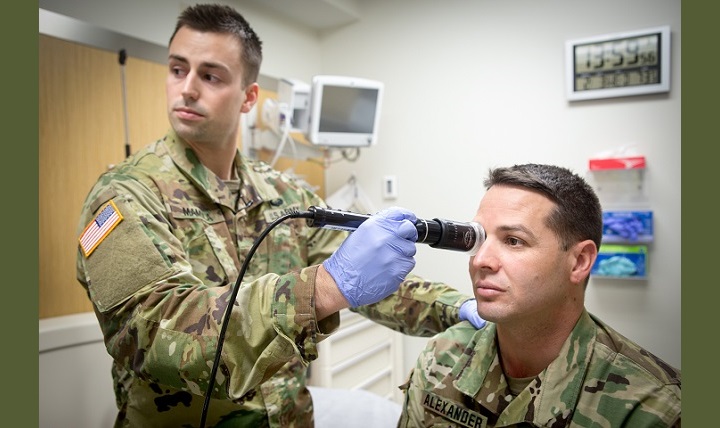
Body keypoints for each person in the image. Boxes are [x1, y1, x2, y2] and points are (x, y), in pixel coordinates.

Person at [75, 4, 483, 427]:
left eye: (211, 76)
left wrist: (458, 307)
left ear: (249, 97)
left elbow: (372, 279)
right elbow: (155, 333)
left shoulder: (284, 195)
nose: (188, 89)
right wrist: (322, 288)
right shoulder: (125, 196)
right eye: (178, 70)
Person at [398, 164, 681, 427]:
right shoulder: (441, 357)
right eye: (480, 238)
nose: (480, 260)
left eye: (513, 241)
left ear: (580, 261)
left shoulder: (654, 406)